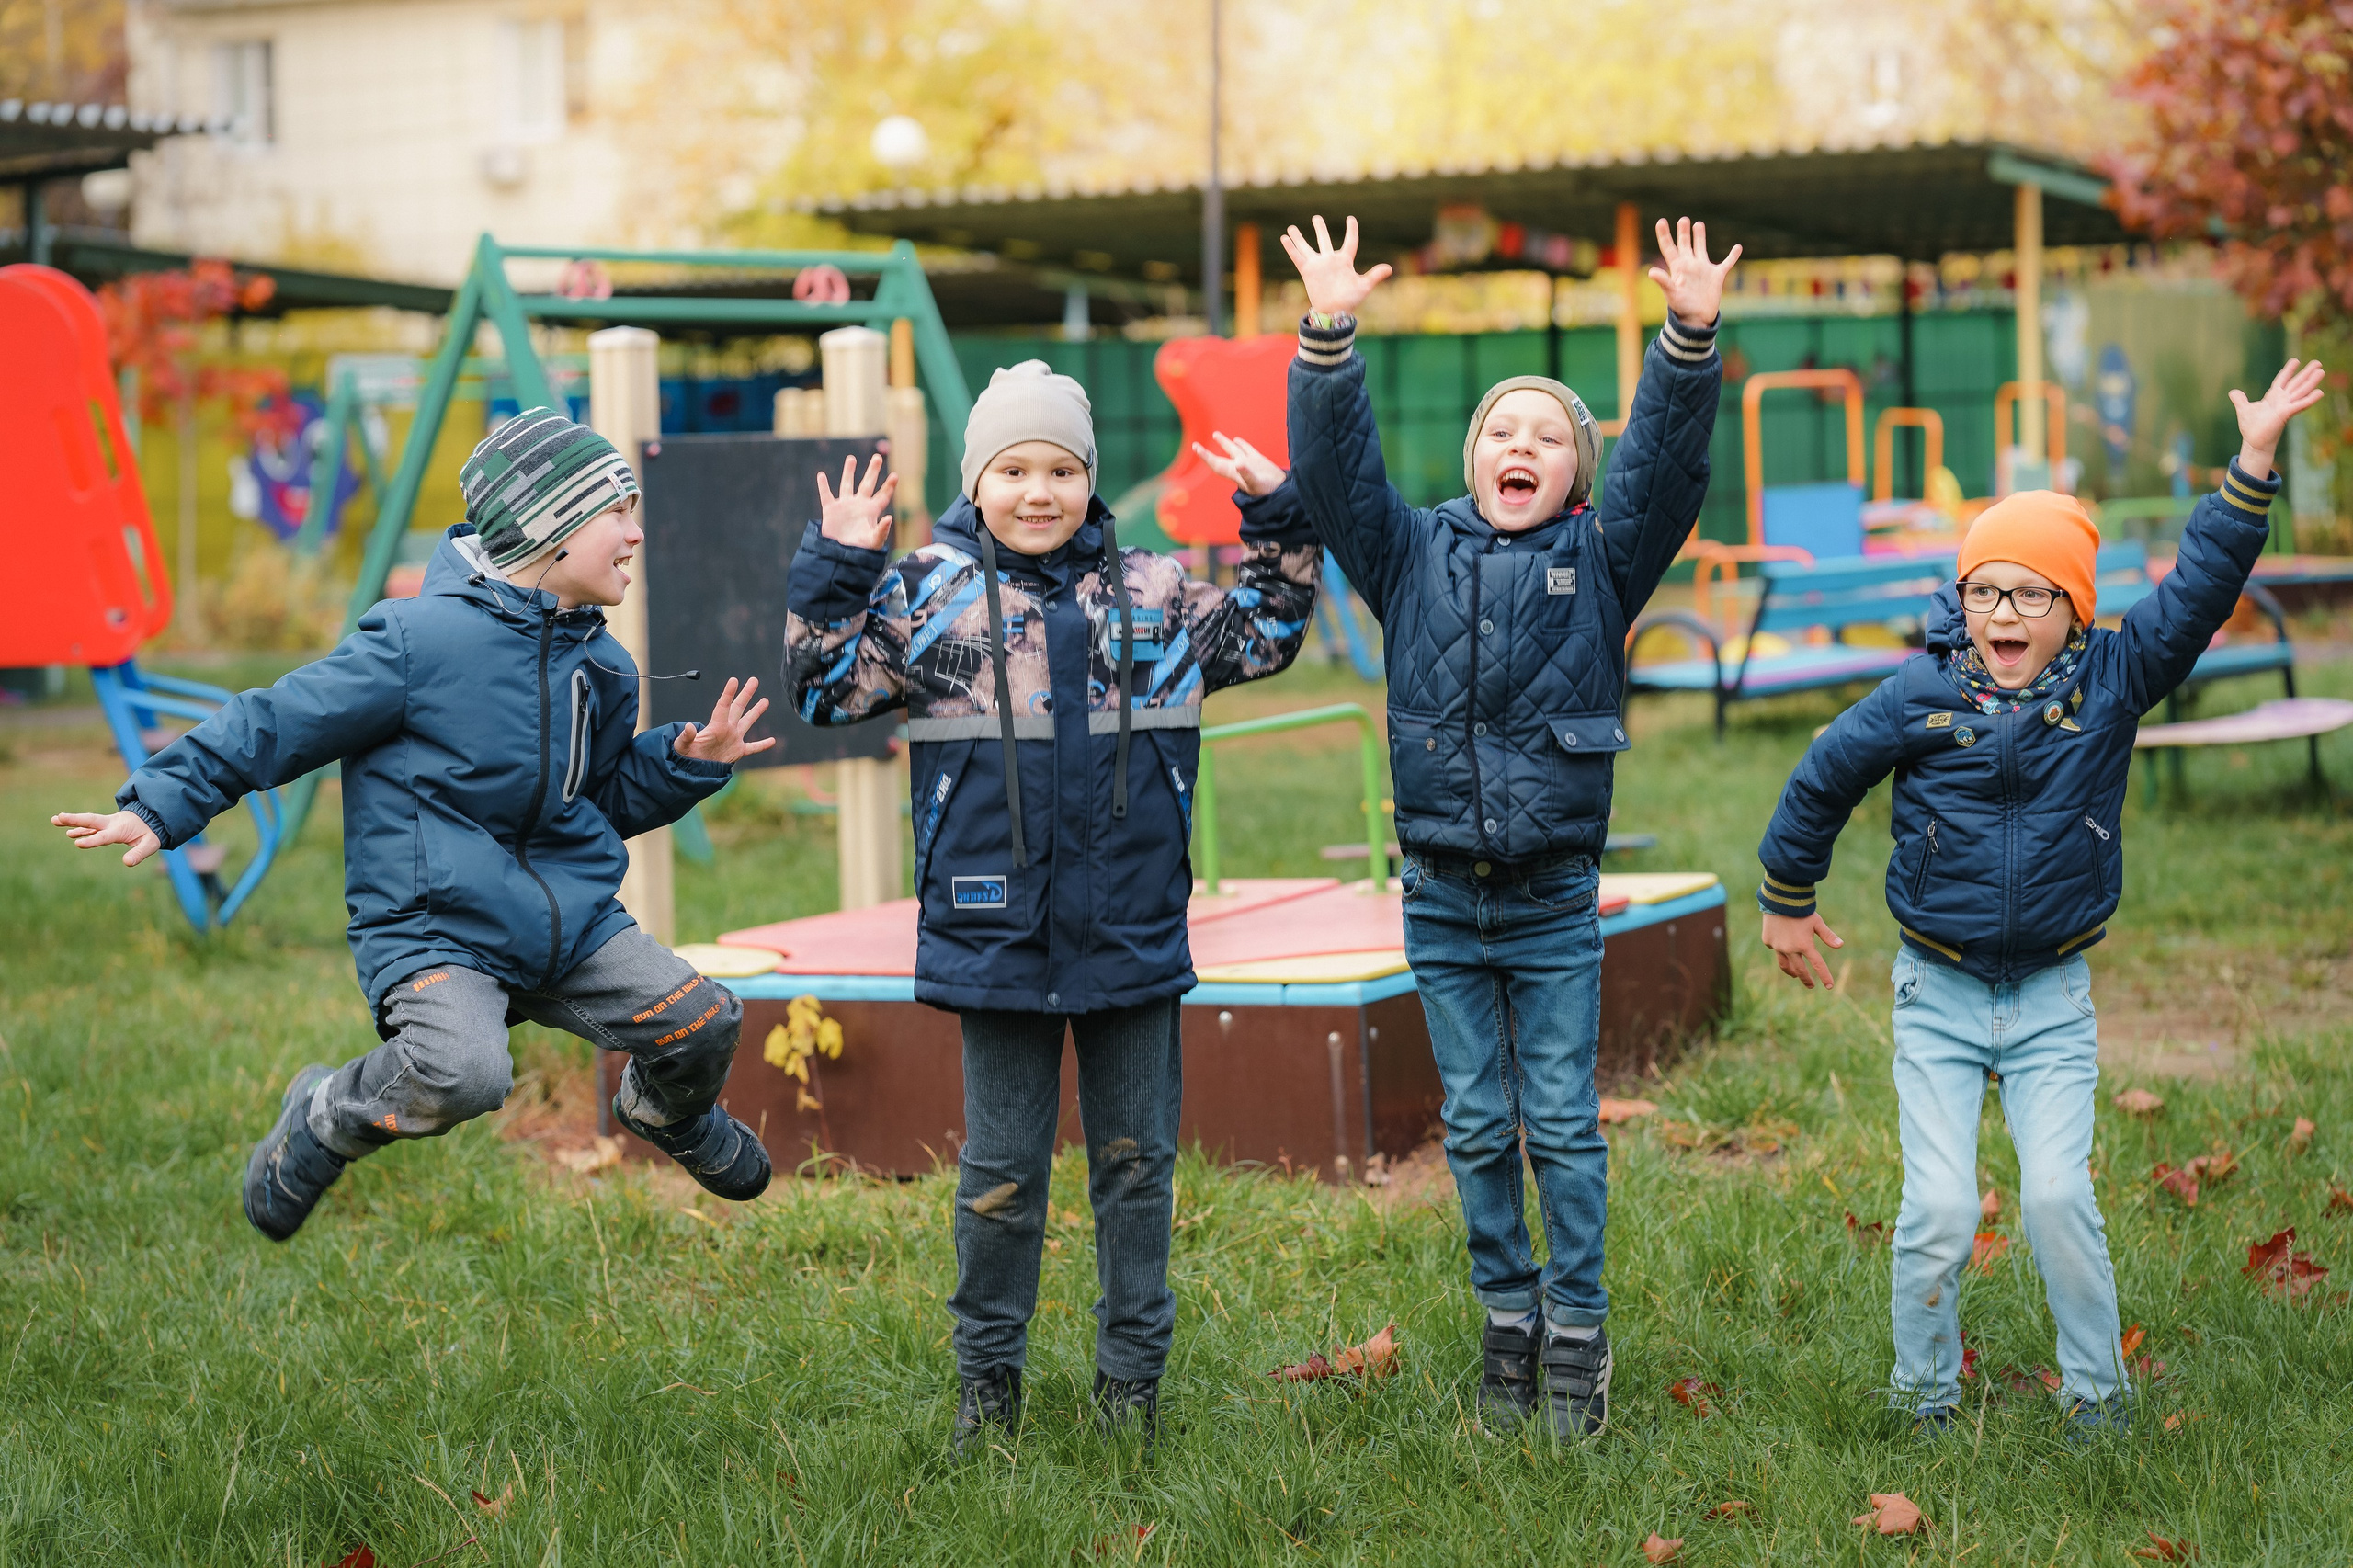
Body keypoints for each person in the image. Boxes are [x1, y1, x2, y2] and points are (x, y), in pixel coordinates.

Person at [1755, 360, 2327, 1437]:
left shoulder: (2116, 679)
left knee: (2057, 1195)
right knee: (1936, 1207)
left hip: (2051, 997)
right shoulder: (1920, 691)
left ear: (2073, 607)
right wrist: (1788, 894)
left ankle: (2097, 1398)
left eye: (2030, 593)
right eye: (1985, 591)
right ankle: (1923, 1394)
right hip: (1936, 989)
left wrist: (2251, 464)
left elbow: (2200, 588)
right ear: (1961, 598)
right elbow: (1823, 775)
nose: (2003, 612)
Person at [53, 408, 779, 1240]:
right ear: (552, 527)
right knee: (465, 1073)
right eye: (617, 512)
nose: (635, 534)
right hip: (439, 927)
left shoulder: (603, 666)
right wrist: (162, 802)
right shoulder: (415, 641)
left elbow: (597, 802)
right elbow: (277, 722)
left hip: (567, 925)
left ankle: (664, 1113)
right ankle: (326, 1114)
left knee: (704, 1021)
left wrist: (684, 764)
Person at [782, 362, 1320, 1455]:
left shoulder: (1157, 592)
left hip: (1130, 931)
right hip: (998, 937)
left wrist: (1278, 513)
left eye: (1063, 469)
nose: (1039, 491)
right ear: (975, 480)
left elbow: (1268, 625)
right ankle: (988, 1387)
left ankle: (1132, 1388)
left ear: (1090, 479)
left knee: (1137, 1165)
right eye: (1014, 469)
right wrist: (837, 568)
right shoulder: (925, 594)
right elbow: (823, 688)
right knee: (999, 1176)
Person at [1280, 214, 1739, 1439]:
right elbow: (1337, 476)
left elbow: (1664, 468)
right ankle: (1508, 1315)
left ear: (1575, 475)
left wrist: (1686, 341)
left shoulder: (1604, 557)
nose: (1519, 445)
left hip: (1549, 900)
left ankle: (1578, 1325)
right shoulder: (1408, 555)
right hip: (1440, 896)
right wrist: (1327, 339)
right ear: (1474, 458)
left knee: (1564, 1123)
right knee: (1479, 1122)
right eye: (1501, 431)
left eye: (1546, 435)